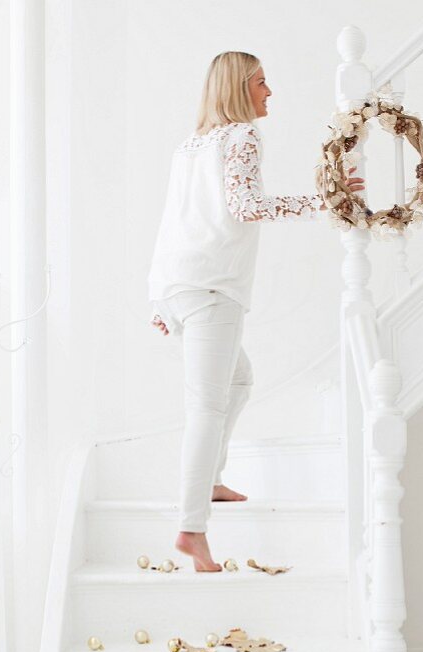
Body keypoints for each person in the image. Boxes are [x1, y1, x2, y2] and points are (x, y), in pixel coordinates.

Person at [147, 51, 365, 572]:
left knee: (239, 381)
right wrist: (326, 200)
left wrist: (158, 293)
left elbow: (171, 220)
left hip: (181, 284)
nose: (270, 92)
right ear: (239, 88)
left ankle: (212, 479)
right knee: (205, 407)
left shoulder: (190, 146)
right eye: (262, 83)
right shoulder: (240, 137)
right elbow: (247, 207)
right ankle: (191, 528)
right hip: (212, 289)